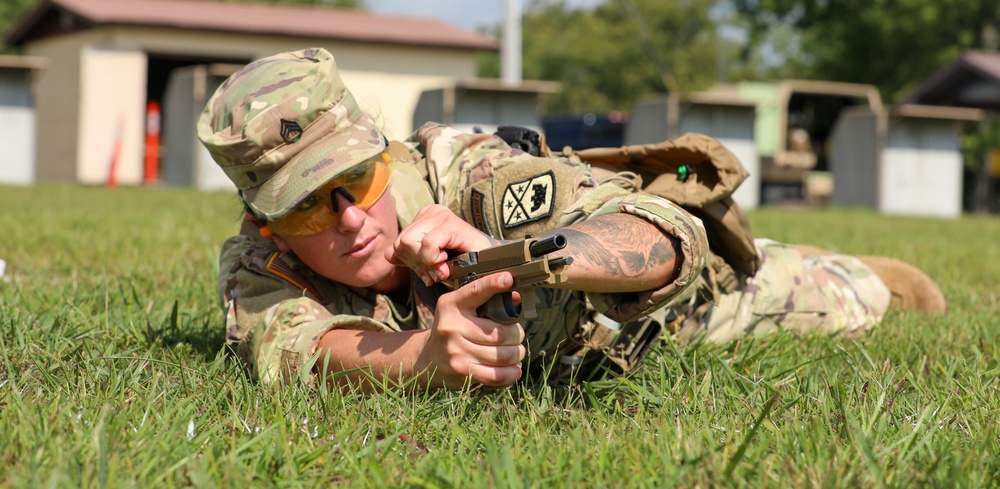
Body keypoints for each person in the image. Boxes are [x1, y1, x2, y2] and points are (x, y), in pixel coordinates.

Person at [197, 48, 943, 390]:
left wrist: (512, 255)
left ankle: (844, 265)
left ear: (384, 155)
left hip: (664, 315)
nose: (350, 221)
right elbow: (303, 350)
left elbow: (658, 234)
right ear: (262, 223)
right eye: (302, 210)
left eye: (357, 181)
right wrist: (423, 361)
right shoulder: (258, 266)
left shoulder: (465, 166)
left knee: (857, 296)